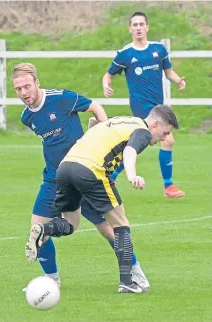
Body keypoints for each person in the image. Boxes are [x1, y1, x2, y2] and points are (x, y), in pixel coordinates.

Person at [13, 63, 147, 290]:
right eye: (18, 89)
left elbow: (95, 106)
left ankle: (136, 274)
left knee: (108, 230)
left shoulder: (62, 98)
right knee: (37, 228)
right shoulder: (27, 117)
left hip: (84, 171)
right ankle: (51, 280)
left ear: (37, 83)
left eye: (27, 86)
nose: (24, 93)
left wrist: (103, 130)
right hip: (54, 178)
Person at [25, 105, 179, 293]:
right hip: (91, 170)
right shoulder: (143, 131)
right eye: (165, 132)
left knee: (70, 223)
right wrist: (132, 175)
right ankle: (127, 283)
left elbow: (94, 124)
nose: (164, 138)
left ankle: (43, 228)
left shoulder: (120, 120)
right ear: (155, 124)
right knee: (121, 224)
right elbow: (130, 151)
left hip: (65, 167)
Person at [102, 11, 186, 198]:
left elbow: (169, 71)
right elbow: (108, 74)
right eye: (135, 25)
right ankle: (169, 186)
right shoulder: (125, 54)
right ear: (130, 28)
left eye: (141, 24)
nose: (138, 28)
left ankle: (111, 175)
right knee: (168, 139)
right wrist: (106, 85)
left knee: (139, 143)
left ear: (147, 27)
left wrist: (178, 80)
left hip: (159, 107)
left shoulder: (158, 50)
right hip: (141, 107)